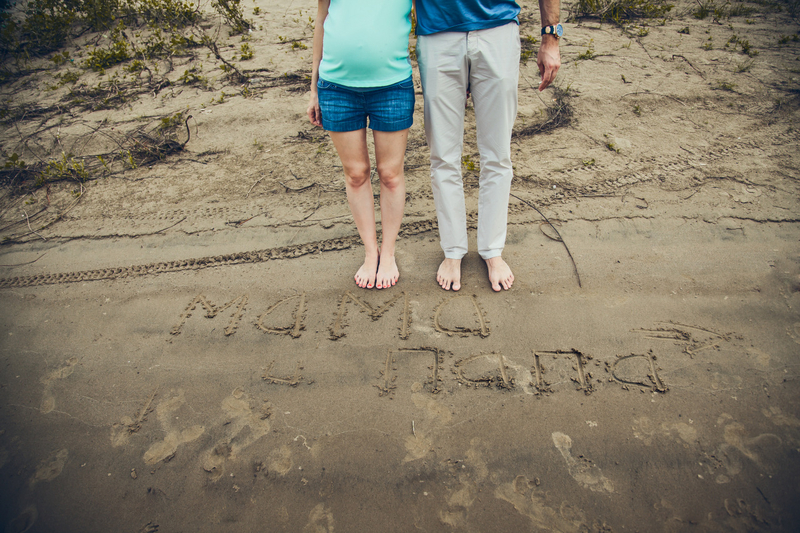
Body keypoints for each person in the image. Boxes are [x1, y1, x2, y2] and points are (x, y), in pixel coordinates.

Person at [415, 0, 562, 291]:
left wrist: (550, 36)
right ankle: (453, 250)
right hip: (437, 31)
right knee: (442, 155)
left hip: (498, 29)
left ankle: (493, 249)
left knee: (497, 154)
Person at [307, 0, 414, 289]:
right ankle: (371, 252)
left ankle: (388, 253)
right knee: (356, 174)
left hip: (393, 86)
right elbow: (321, 20)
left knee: (390, 174)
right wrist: (313, 89)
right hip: (336, 87)